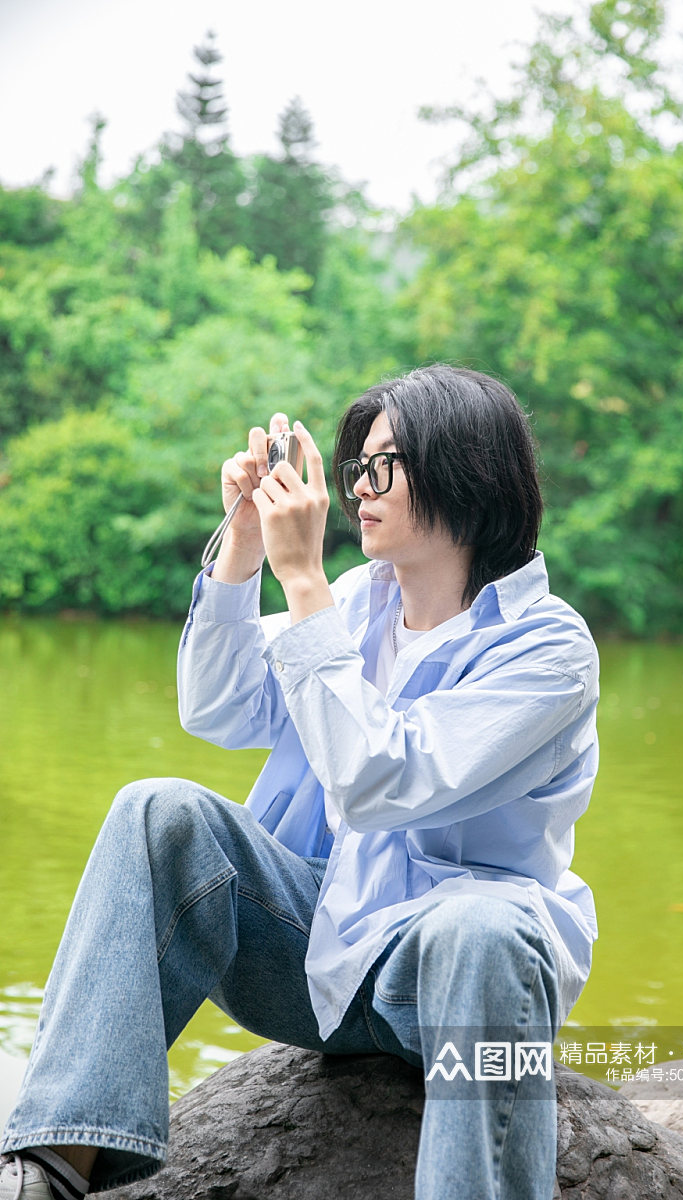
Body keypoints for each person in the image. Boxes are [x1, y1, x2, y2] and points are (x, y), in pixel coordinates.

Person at [0, 364, 599, 1200]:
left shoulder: (548, 651)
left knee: (480, 927)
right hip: (314, 951)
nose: (359, 489)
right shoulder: (357, 604)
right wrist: (245, 550)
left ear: (466, 471)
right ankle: (57, 1163)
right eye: (356, 468)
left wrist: (304, 582)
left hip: (452, 981)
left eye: (381, 466)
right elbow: (216, 706)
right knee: (157, 811)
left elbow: (380, 781)